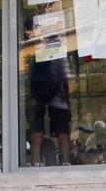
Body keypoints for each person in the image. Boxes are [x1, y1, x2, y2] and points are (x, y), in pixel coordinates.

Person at [25, 15, 71, 167]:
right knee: (56, 126)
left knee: (41, 124)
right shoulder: (53, 44)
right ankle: (63, 161)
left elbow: (26, 72)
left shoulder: (32, 46)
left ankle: (38, 160)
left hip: (42, 89)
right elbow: (64, 70)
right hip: (51, 90)